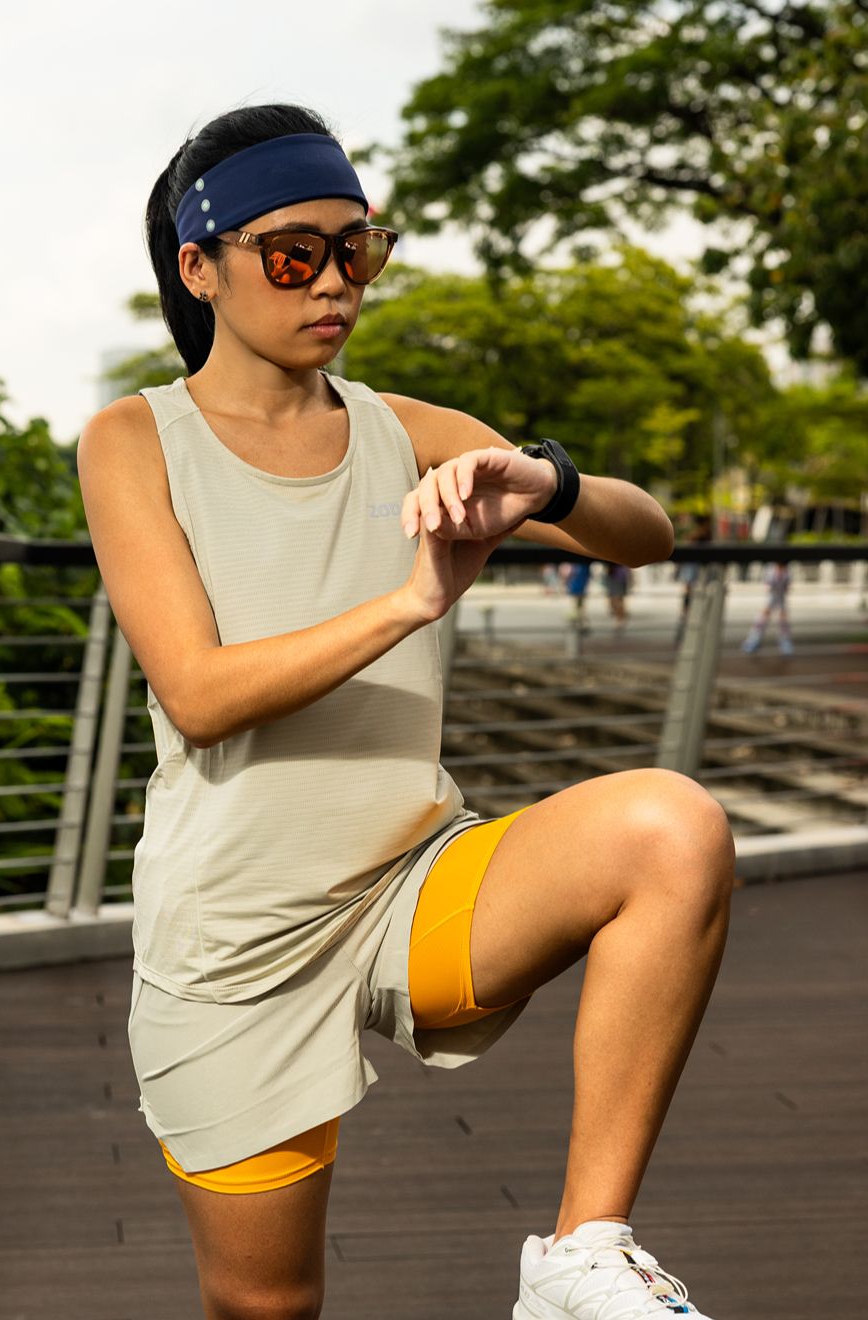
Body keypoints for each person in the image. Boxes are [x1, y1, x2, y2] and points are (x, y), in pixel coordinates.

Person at [76, 104, 734, 1320]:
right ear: (199, 267)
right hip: (237, 943)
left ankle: (581, 1257)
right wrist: (412, 600)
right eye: (293, 254)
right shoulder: (133, 442)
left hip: (410, 888)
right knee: (269, 1306)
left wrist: (547, 478)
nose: (334, 282)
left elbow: (649, 535)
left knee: (672, 828)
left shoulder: (404, 428)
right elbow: (200, 693)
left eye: (357, 249)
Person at [673, 514, 712, 648]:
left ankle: (684, 632)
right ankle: (685, 632)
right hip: (697, 578)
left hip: (695, 578)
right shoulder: (699, 537)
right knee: (691, 605)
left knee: (689, 605)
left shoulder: (694, 537)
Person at [742, 561, 793, 655]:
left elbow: (787, 586)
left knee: (783, 620)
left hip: (780, 597)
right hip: (772, 596)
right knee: (763, 619)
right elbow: (768, 585)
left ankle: (784, 642)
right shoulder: (771, 570)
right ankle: (753, 640)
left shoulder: (787, 571)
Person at [603, 560, 633, 630]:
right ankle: (620, 617)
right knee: (615, 600)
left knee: (618, 600)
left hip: (619, 579)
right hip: (613, 578)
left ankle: (620, 618)